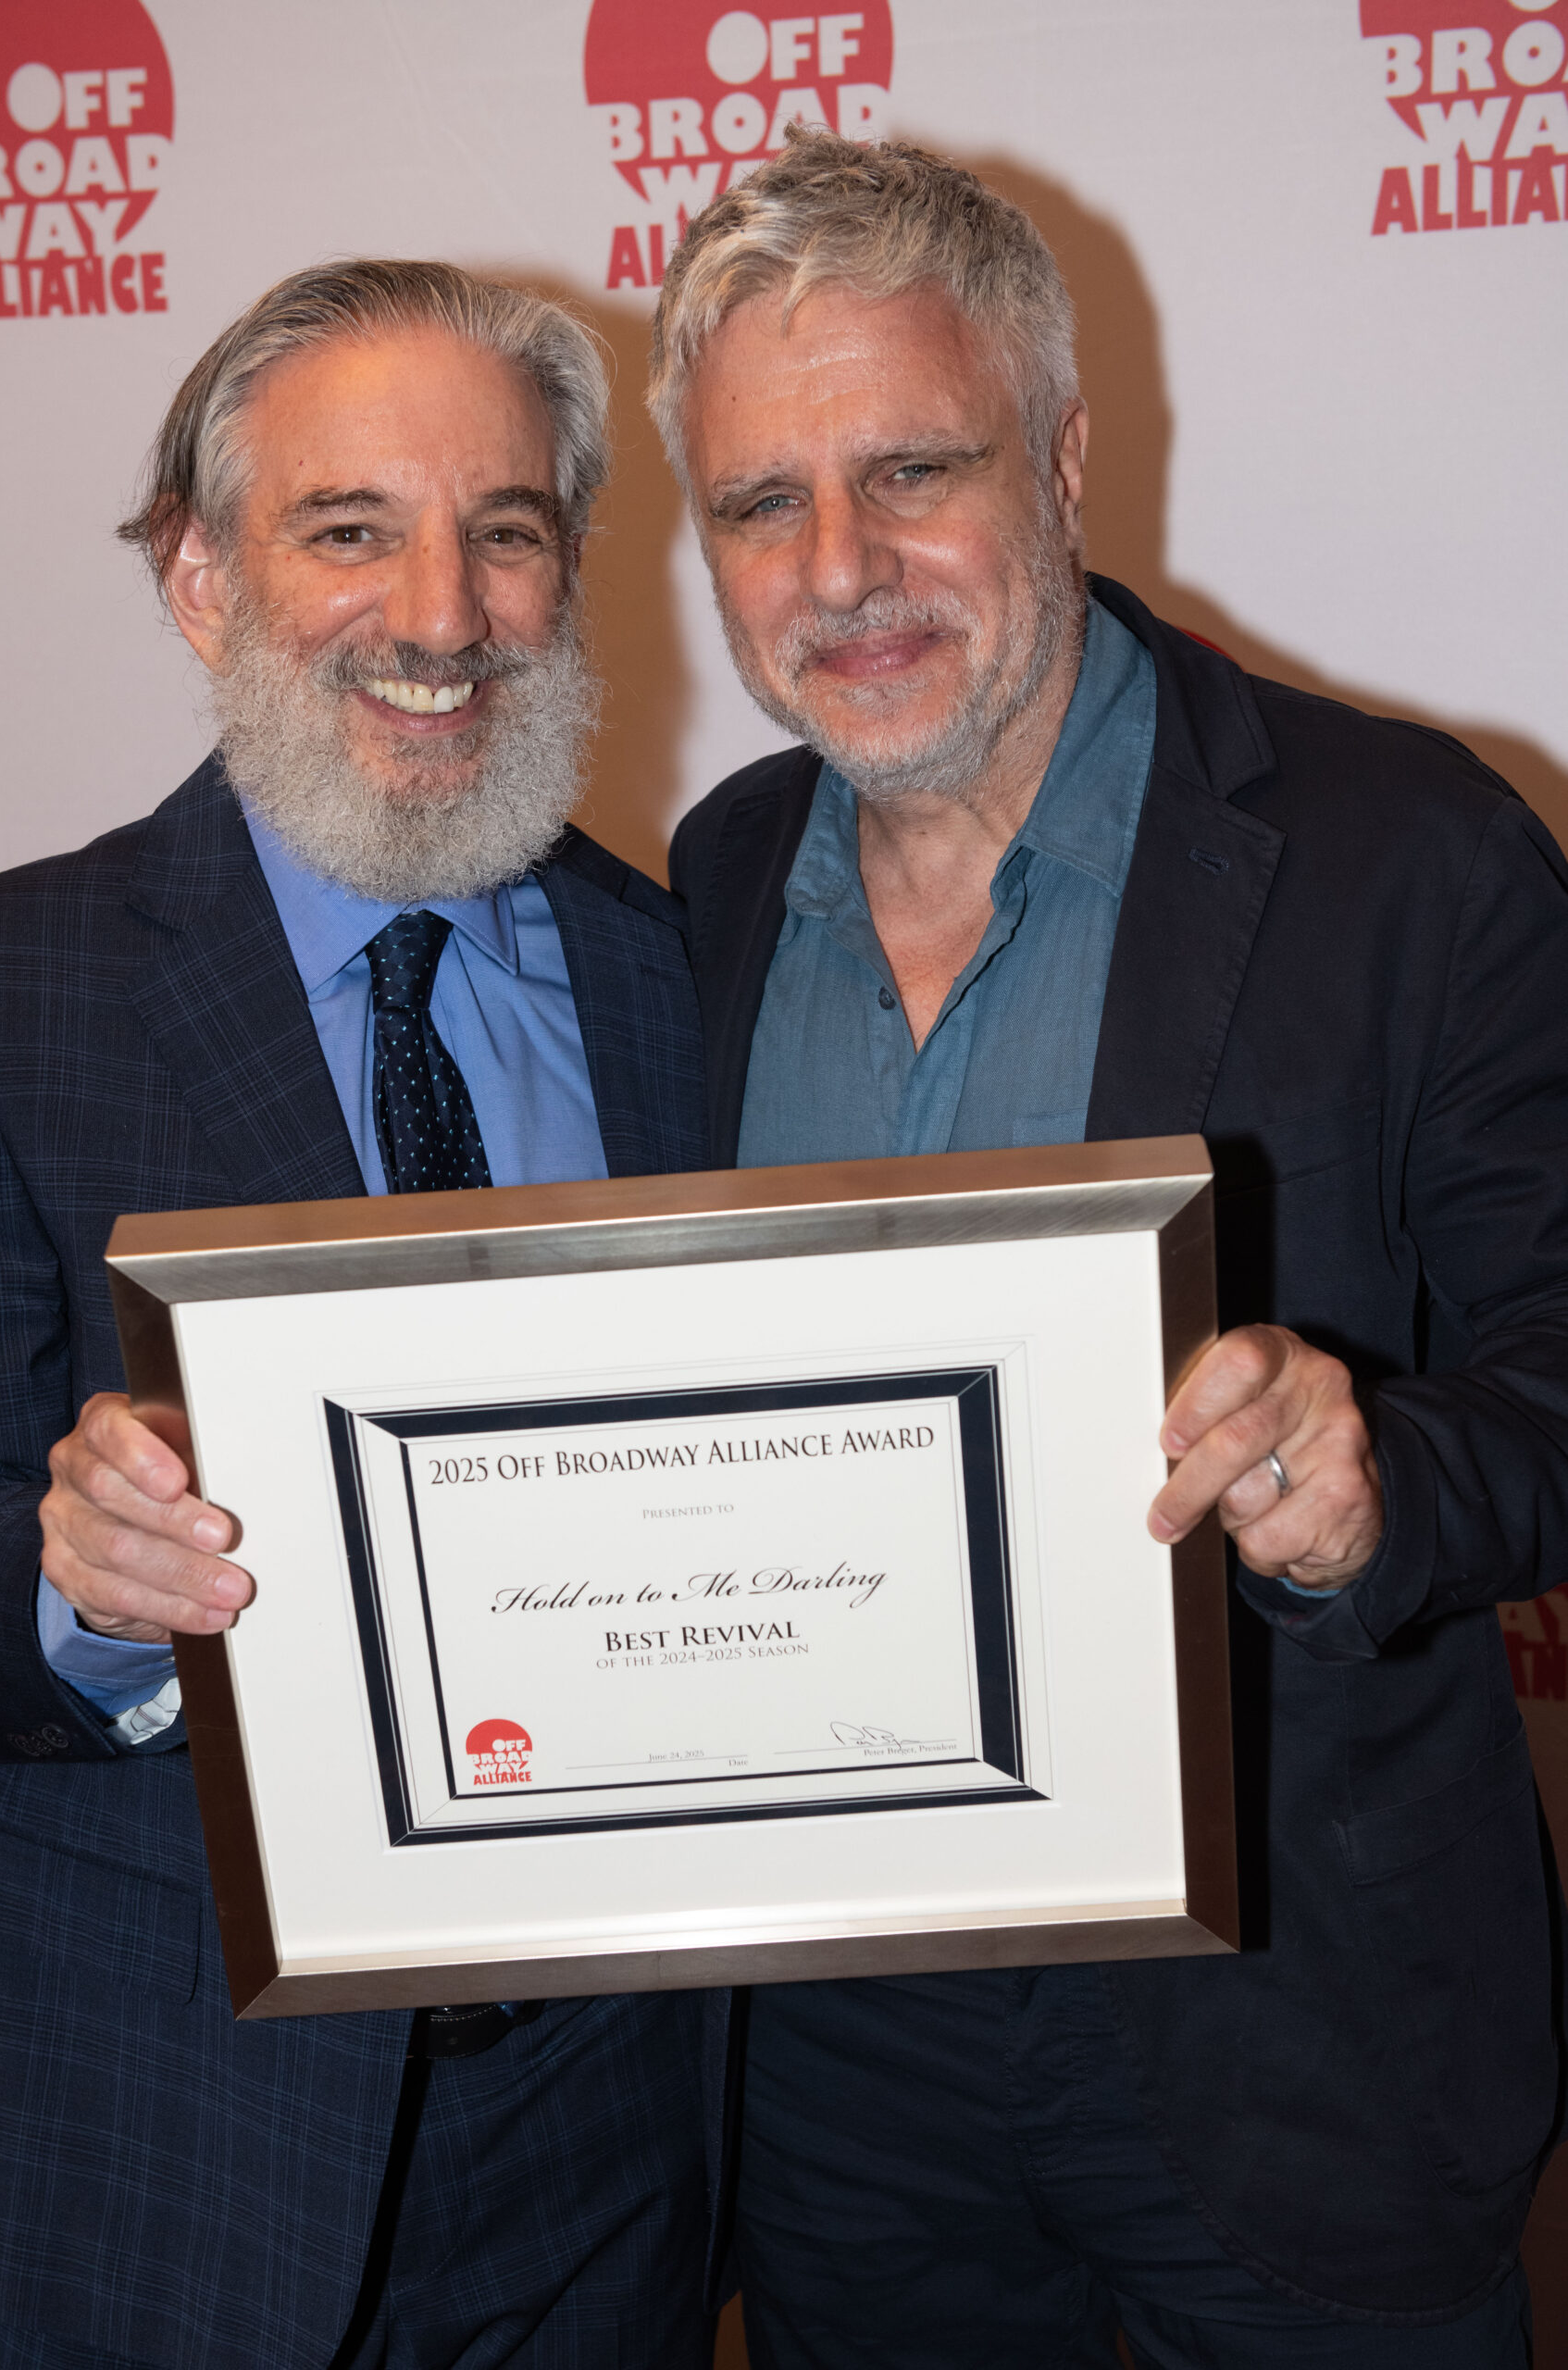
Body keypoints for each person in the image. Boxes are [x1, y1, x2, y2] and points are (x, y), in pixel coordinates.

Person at [654, 132, 1567, 2368]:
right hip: (841, 2063)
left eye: (913, 470)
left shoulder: (1413, 853)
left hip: (1293, 2026)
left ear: (1062, 459)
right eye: (761, 503)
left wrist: (1379, 1482)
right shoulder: (707, 881)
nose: (841, 569)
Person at [0, 260, 721, 2370]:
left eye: (506, 531)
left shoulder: (688, 971)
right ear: (201, 577)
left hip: (605, 2156)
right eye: (349, 530)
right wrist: (75, 1580)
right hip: (149, 2159)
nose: (441, 612)